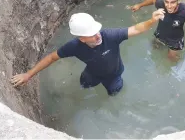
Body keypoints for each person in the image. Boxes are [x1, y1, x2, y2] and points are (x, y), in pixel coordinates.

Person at [11, 9, 165, 96]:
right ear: (81, 38)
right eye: (91, 34)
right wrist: (28, 74)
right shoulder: (74, 46)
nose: (98, 35)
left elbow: (136, 29)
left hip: (114, 75)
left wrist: (151, 21)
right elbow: (52, 57)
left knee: (114, 93)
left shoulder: (110, 36)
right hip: (91, 74)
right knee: (84, 87)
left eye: (96, 30)